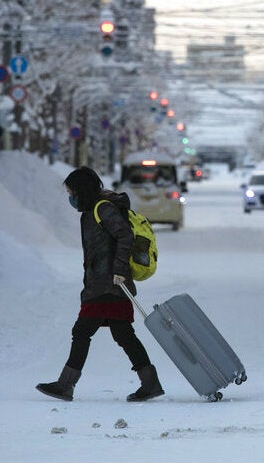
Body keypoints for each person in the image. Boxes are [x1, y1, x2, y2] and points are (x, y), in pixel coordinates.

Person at [36, 166, 165, 403]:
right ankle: (150, 382)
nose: (70, 197)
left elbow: (125, 235)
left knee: (82, 332)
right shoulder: (93, 210)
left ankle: (66, 385)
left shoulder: (102, 208)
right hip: (105, 285)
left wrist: (118, 271)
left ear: (82, 190)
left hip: (108, 285)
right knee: (124, 335)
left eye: (71, 192)